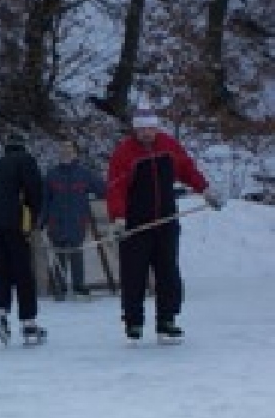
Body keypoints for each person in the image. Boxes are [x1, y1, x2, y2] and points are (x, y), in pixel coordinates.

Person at [107, 102, 222, 342]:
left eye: (150, 129)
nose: (147, 134)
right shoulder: (124, 152)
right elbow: (116, 187)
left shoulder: (169, 146)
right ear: (135, 130)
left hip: (166, 220)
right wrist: (118, 217)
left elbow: (187, 170)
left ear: (156, 128)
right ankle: (134, 322)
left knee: (168, 271)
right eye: (142, 130)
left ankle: (167, 320)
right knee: (134, 273)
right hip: (135, 223)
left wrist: (205, 190)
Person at [0, 133, 46, 346]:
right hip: (13, 226)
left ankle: (1, 311)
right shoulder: (25, 161)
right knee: (24, 274)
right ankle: (29, 323)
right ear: (22, 148)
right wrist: (35, 221)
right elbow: (35, 191)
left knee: (3, 273)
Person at [41, 140, 106, 300]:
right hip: (56, 221)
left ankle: (79, 286)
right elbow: (44, 200)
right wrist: (41, 221)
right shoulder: (52, 175)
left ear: (75, 153)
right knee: (59, 253)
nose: (66, 153)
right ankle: (60, 287)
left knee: (77, 253)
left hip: (77, 221)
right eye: (63, 150)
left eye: (69, 150)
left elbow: (102, 190)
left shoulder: (84, 174)